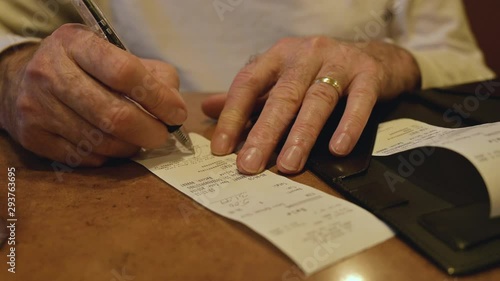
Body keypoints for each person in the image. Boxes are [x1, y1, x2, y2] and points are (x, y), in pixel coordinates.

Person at [0, 0, 495, 175]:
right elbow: (11, 34)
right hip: (127, 173)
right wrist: (14, 75)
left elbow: (462, 64)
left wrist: (385, 58)